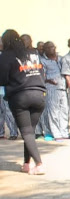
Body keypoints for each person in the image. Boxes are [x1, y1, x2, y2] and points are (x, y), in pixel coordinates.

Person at [0, 30, 46, 174]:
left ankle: (39, 164)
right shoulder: (32, 53)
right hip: (39, 94)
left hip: (20, 96)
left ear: (6, 41)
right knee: (30, 132)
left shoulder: (6, 56)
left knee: (26, 132)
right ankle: (26, 163)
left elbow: (2, 79)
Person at [40, 41, 69, 141]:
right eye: (48, 48)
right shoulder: (43, 61)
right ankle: (56, 134)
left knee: (64, 111)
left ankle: (64, 132)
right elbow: (41, 76)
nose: (50, 49)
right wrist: (49, 80)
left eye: (52, 47)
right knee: (53, 112)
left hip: (63, 88)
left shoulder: (61, 58)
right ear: (45, 50)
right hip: (51, 88)